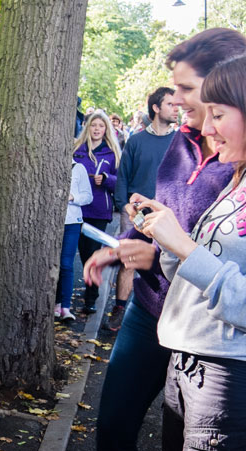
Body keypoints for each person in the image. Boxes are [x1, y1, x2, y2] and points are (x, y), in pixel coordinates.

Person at [67, 27, 246, 451]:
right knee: (132, 440)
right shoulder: (185, 147)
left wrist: (170, 246)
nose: (179, 104)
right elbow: (167, 219)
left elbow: (218, 266)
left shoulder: (233, 155)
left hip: (214, 352)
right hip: (162, 318)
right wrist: (133, 243)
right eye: (174, 91)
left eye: (194, 94)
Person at [131, 52, 246, 451]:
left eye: (218, 112)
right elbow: (203, 274)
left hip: (226, 382)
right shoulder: (234, 178)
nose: (204, 125)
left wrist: (183, 249)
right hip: (191, 367)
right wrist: (156, 252)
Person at [107, 87, 177, 332]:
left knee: (167, 263)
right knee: (129, 262)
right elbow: (123, 177)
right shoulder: (136, 141)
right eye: (170, 104)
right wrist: (123, 206)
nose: (176, 107)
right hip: (136, 212)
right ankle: (119, 308)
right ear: (156, 108)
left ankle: (162, 315)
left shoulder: (179, 142)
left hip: (168, 215)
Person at [73, 111, 122, 314]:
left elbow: (120, 182)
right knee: (78, 254)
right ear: (88, 127)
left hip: (98, 210)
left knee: (92, 254)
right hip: (76, 209)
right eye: (93, 125)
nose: (96, 129)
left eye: (101, 126)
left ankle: (91, 298)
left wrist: (106, 179)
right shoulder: (77, 149)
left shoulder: (112, 153)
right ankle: (64, 299)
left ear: (106, 130)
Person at [55, 161, 94, 321]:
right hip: (51, 222)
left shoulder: (78, 168)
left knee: (66, 264)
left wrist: (72, 197)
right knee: (51, 263)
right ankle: (55, 303)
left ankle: (65, 307)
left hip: (71, 223)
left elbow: (88, 196)